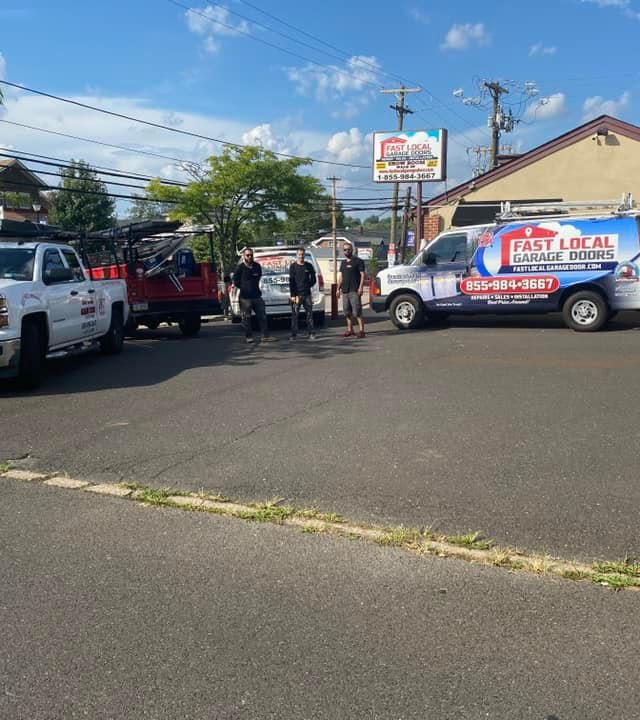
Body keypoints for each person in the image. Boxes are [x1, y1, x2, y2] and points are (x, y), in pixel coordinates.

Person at [232, 247, 275, 344]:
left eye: (251, 255)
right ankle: (249, 337)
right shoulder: (240, 268)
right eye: (247, 255)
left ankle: (265, 336)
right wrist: (244, 287)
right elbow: (236, 281)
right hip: (245, 298)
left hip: (256, 296)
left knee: (263, 316)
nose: (250, 257)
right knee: (246, 318)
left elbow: (258, 277)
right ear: (244, 256)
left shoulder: (257, 266)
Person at [336, 242, 366, 338]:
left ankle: (361, 331)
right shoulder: (343, 263)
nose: (346, 251)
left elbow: (362, 275)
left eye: (348, 249)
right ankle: (350, 330)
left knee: (357, 311)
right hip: (345, 290)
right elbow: (341, 277)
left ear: (352, 250)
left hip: (354, 290)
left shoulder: (358, 261)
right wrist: (337, 289)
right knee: (347, 311)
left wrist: (361, 287)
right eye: (344, 250)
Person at [289, 247, 317, 340]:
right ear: (296, 255)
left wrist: (307, 286)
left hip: (307, 295)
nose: (301, 256)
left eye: (302, 254)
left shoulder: (309, 266)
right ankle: (294, 335)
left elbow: (313, 279)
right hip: (296, 295)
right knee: (295, 315)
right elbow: (291, 282)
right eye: (299, 254)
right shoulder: (293, 267)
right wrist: (293, 295)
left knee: (309, 314)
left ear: (304, 255)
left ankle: (311, 333)